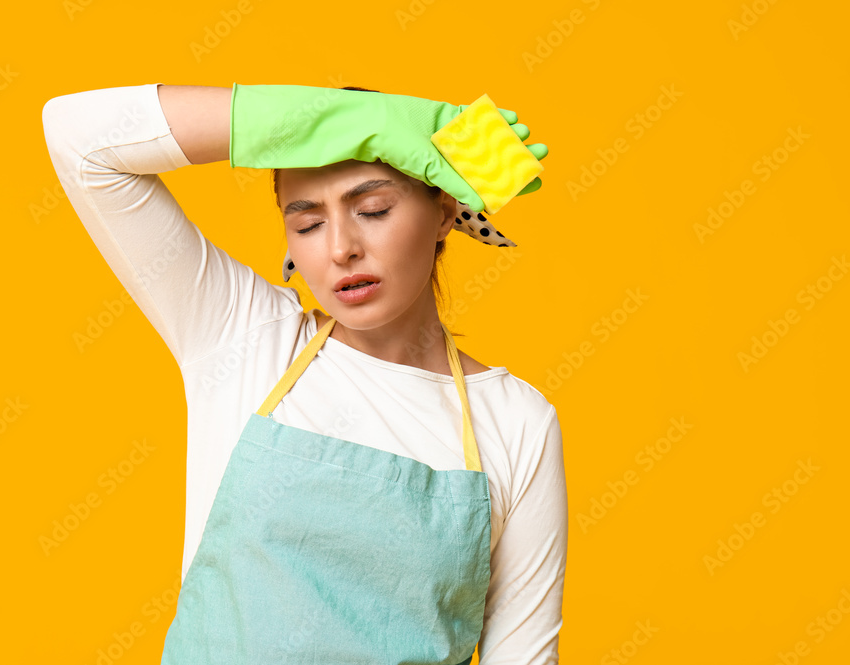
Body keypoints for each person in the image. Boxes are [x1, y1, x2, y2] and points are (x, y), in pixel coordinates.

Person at [41, 80, 568, 664]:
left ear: (444, 211)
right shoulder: (241, 334)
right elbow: (81, 139)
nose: (341, 248)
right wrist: (358, 118)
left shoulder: (517, 421)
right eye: (308, 223)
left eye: (373, 209)